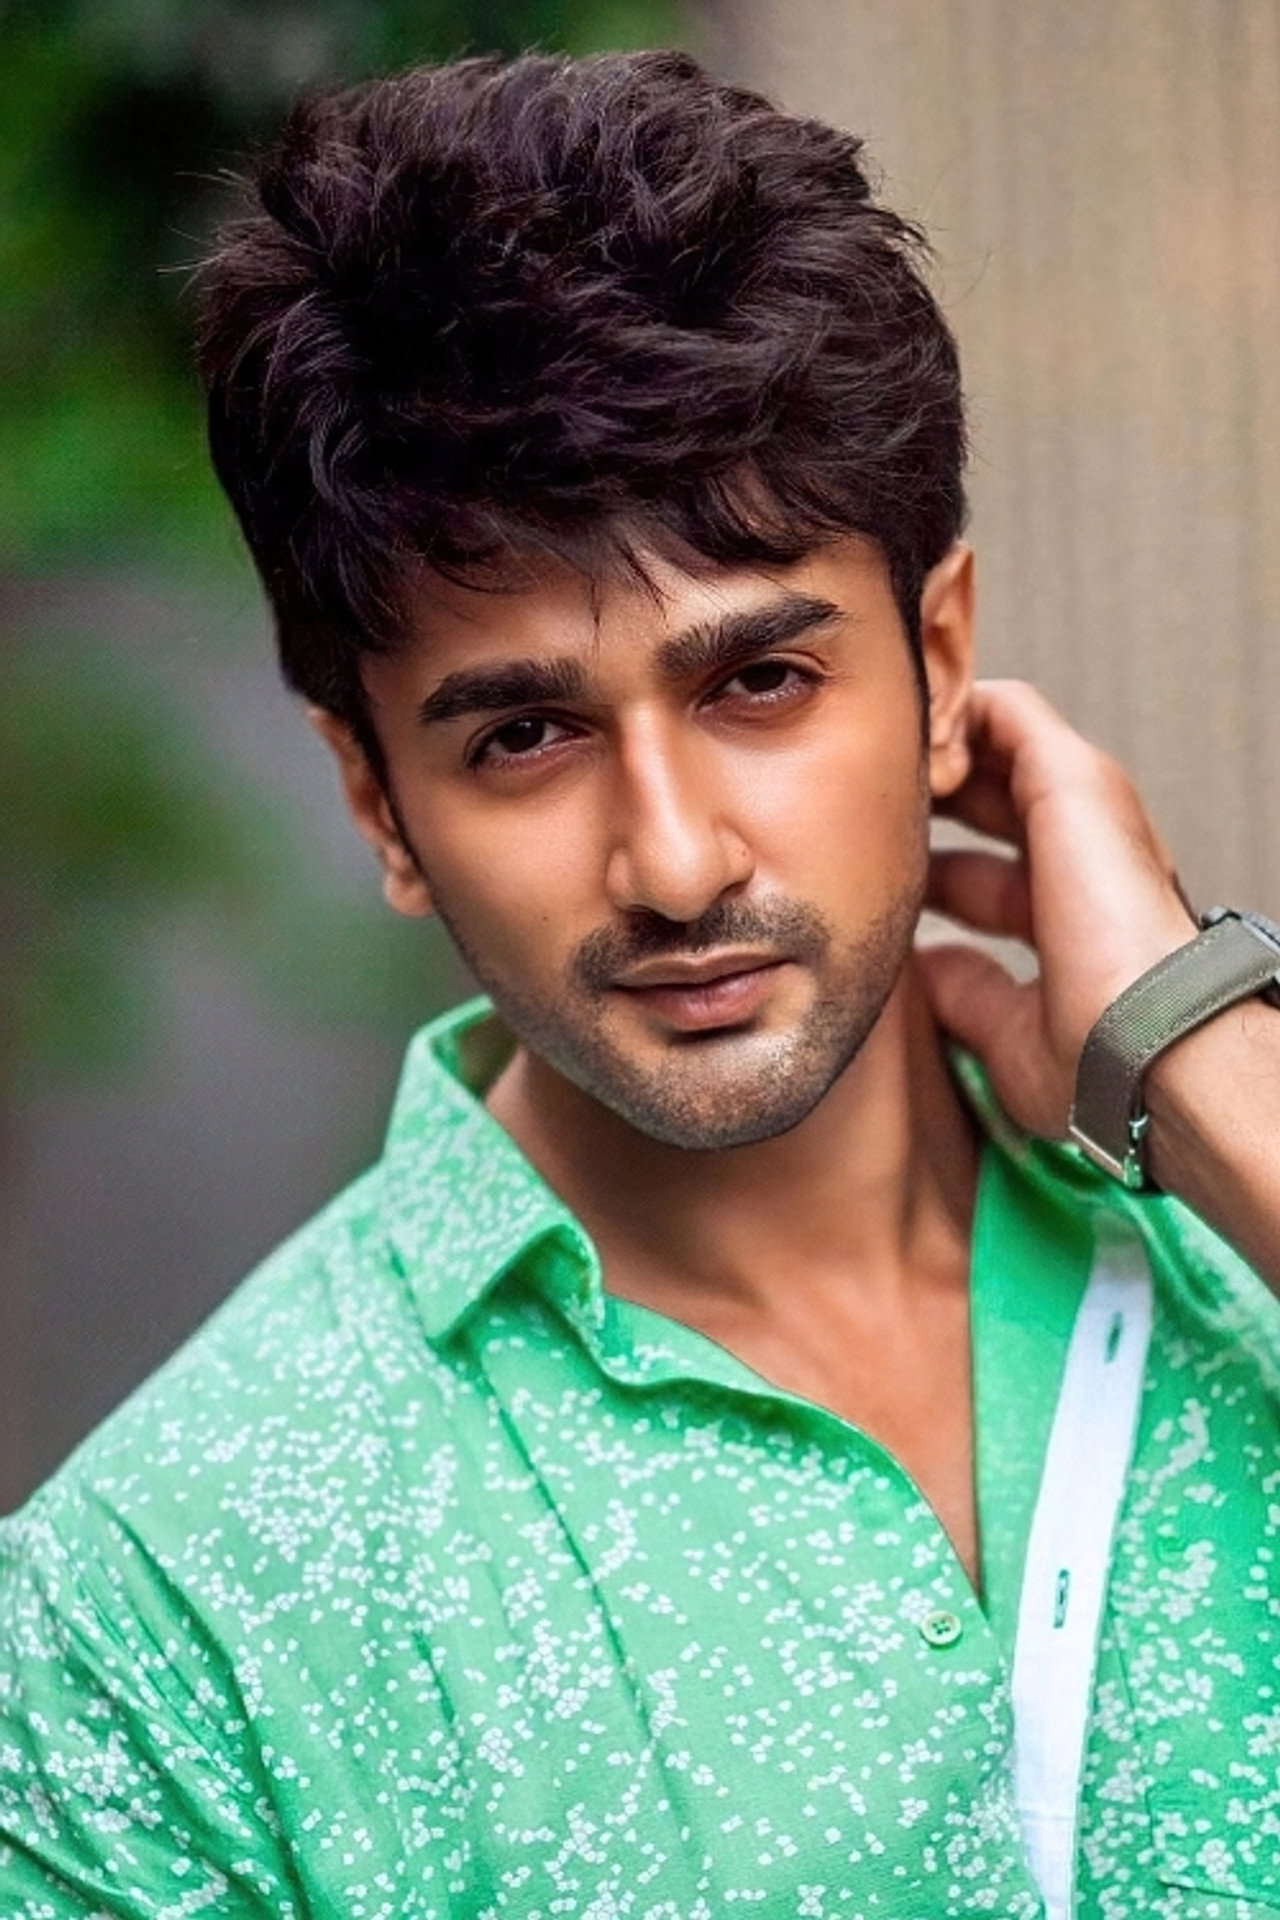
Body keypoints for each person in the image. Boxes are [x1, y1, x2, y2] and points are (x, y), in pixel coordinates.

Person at [2, 49, 1278, 1920]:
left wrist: (1210, 1073)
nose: (675, 865)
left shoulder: (1237, 1236)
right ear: (376, 798)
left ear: (940, 664)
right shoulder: (155, 1619)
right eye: (523, 735)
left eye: (758, 681)